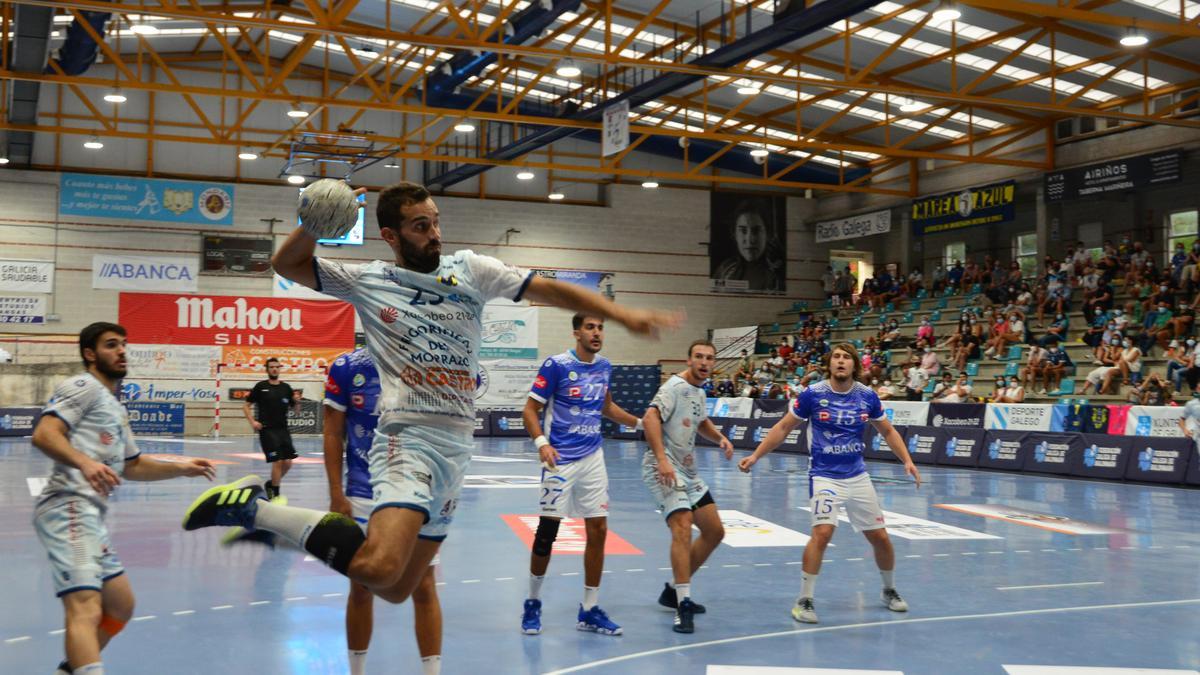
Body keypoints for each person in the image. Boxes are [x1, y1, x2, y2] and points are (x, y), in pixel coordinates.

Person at [181, 181, 679, 630]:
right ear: (391, 236)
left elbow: (546, 287)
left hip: (455, 450)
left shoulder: (472, 270)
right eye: (422, 226)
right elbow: (287, 264)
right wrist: (312, 225)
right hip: (407, 439)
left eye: (436, 221)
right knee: (377, 566)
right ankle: (257, 510)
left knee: (395, 589)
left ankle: (260, 513)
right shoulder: (367, 280)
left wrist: (619, 313)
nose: (435, 233)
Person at [33, 322, 215, 675]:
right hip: (68, 504)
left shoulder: (115, 407)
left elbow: (133, 466)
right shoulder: (82, 386)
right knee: (85, 607)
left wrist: (182, 467)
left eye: (123, 345)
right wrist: (84, 462)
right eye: (111, 345)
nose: (121, 351)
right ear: (90, 354)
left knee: (120, 606)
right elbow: (44, 434)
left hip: (90, 515)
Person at [738, 343, 921, 624]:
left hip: (858, 475)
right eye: (836, 356)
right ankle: (804, 599)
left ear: (854, 365)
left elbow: (887, 430)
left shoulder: (867, 396)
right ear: (829, 364)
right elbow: (783, 427)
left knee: (881, 537)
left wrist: (907, 460)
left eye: (846, 357)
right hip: (824, 475)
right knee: (822, 533)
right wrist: (755, 456)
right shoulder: (813, 395)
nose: (840, 361)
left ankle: (889, 590)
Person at [520, 314, 642, 636]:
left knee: (599, 530)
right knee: (548, 532)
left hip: (593, 458)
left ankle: (589, 608)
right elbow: (529, 410)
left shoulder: (604, 366)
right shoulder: (556, 365)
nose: (597, 332)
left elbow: (607, 407)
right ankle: (532, 602)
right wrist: (541, 443)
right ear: (577, 332)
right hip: (559, 459)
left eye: (600, 327)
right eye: (590, 327)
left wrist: (640, 424)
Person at [641, 340, 733, 634]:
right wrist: (661, 459)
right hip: (663, 466)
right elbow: (650, 417)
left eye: (709, 358)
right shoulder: (673, 387)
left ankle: (672, 591)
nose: (704, 362)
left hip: (689, 471)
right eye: (699, 357)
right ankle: (683, 604)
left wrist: (720, 437)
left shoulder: (700, 391)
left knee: (715, 531)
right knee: (682, 524)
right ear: (688, 359)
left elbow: (701, 421)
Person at [243, 357, 302, 499]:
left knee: (288, 463)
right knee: (278, 461)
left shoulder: (286, 388)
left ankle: (271, 484)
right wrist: (253, 422)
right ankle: (275, 494)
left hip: (283, 430)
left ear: (280, 369)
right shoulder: (260, 387)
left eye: (277, 367)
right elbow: (246, 406)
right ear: (267, 369)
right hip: (267, 430)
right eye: (271, 367)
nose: (274, 369)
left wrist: (297, 402)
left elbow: (296, 411)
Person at [713, 203, 784, 292]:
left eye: (757, 230)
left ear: (768, 234)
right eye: (743, 231)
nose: (750, 239)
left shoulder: (778, 276)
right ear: (734, 234)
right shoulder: (724, 270)